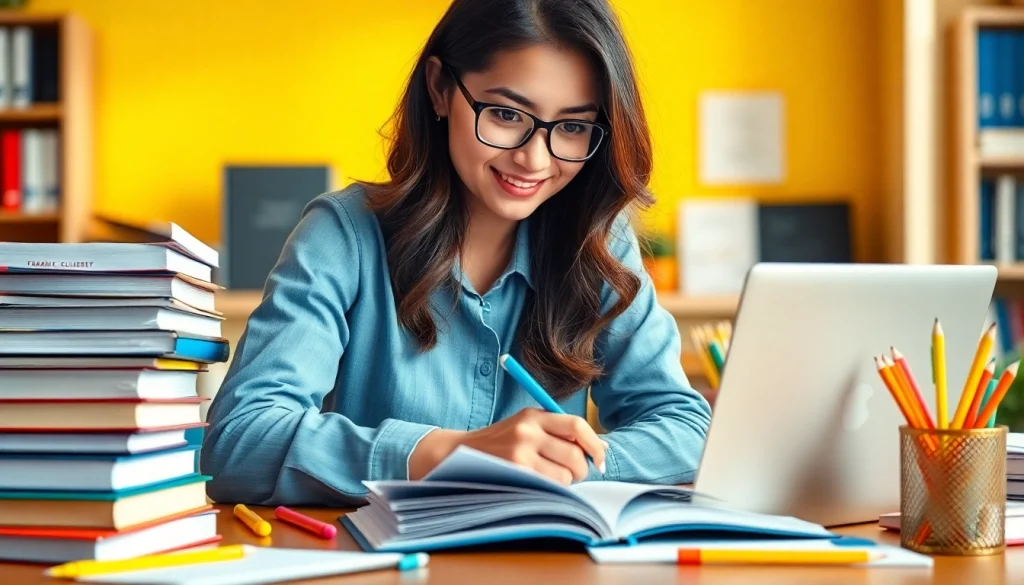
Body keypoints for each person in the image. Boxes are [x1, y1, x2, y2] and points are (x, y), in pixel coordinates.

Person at [201, 0, 711, 506]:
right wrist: (450, 454)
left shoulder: (599, 244)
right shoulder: (344, 234)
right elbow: (239, 441)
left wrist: (569, 467)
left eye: (573, 127)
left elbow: (684, 426)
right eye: (507, 114)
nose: (534, 159)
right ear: (440, 88)